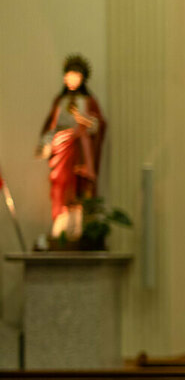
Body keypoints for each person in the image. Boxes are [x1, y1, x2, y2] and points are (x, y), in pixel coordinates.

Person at [36, 55, 106, 241]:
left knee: (80, 190)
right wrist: (45, 144)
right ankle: (60, 231)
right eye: (69, 75)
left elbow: (97, 126)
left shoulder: (88, 101)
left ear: (83, 78)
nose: (72, 79)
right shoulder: (60, 101)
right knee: (60, 186)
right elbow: (52, 126)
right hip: (61, 151)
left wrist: (83, 122)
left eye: (77, 76)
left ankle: (78, 231)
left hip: (82, 151)